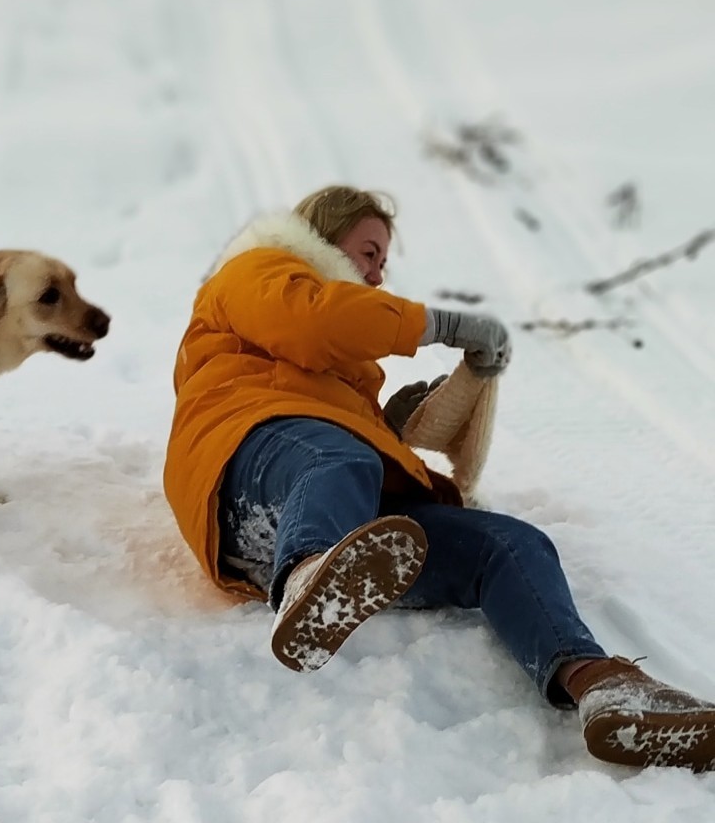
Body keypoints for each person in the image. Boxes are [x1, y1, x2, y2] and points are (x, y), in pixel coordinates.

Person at [163, 184, 715, 770]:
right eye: (370, 251)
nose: (377, 273)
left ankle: (601, 684)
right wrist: (444, 325)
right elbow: (310, 324)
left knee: (510, 544)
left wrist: (385, 428)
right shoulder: (257, 268)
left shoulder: (349, 378)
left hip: (322, 504)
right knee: (343, 459)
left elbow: (328, 377)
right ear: (320, 235)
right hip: (243, 462)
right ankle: (308, 574)